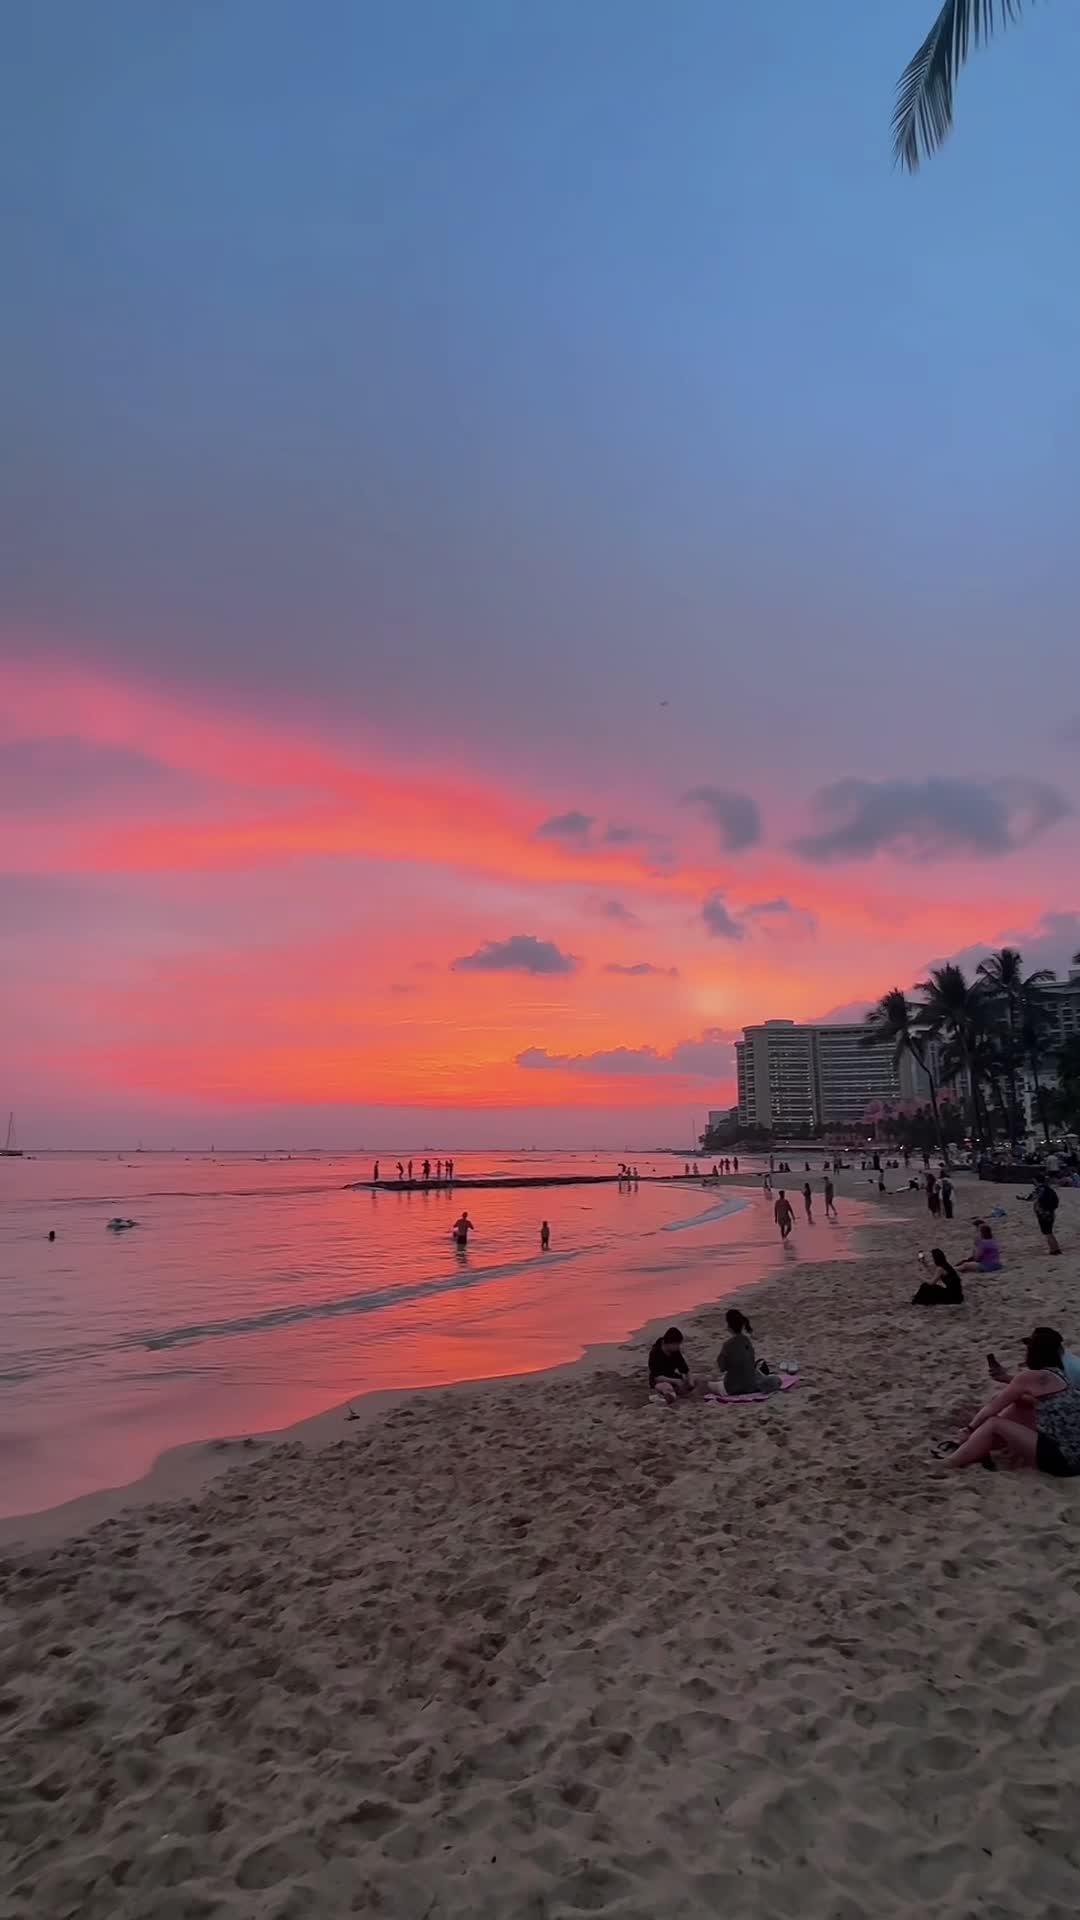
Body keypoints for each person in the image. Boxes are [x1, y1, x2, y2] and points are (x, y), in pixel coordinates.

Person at [944, 1328, 1080, 1476]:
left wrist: (969, 1429)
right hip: (1075, 1456)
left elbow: (992, 1408)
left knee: (993, 1423)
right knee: (1023, 1404)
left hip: (1062, 1462)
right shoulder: (1060, 1375)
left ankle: (949, 1463)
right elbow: (1035, 1401)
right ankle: (979, 1447)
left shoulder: (1029, 1377)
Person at [716, 1308, 783, 1396]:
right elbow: (749, 1362)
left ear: (729, 1326)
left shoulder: (727, 1345)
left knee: (712, 1385)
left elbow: (722, 1368)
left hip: (733, 1388)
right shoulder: (746, 1341)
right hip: (751, 1386)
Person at [648, 1327, 694, 1403]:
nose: (678, 1347)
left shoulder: (675, 1352)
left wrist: (690, 1383)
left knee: (697, 1379)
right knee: (667, 1387)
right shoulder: (655, 1353)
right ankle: (663, 1399)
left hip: (673, 1376)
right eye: (677, 1344)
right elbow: (657, 1377)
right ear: (669, 1343)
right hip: (659, 1381)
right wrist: (675, 1381)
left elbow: (685, 1369)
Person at [1032, 1177, 1061, 1255]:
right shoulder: (1049, 1190)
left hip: (1043, 1214)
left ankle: (1053, 1250)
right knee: (1050, 1232)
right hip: (1051, 1213)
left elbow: (1031, 1197)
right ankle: (1056, 1249)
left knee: (1047, 1233)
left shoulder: (1039, 1190)